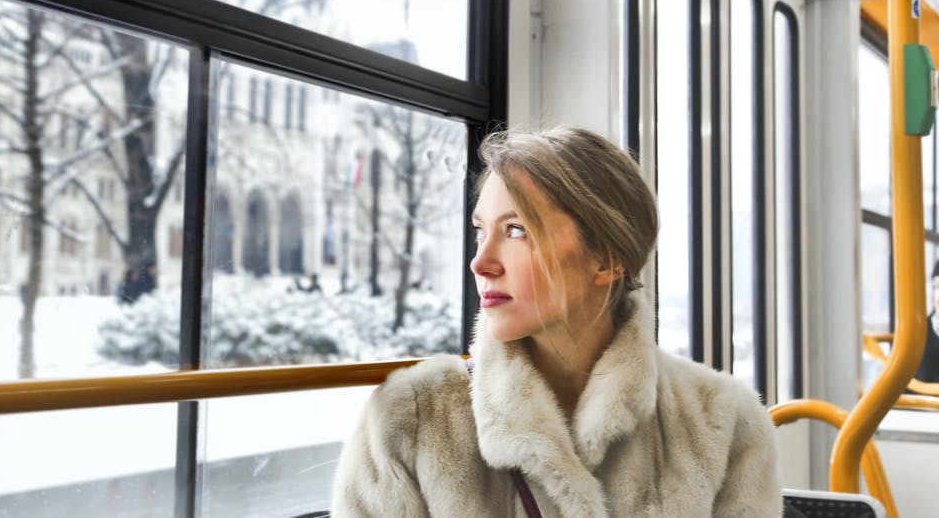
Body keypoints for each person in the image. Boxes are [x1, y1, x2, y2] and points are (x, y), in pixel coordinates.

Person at [331, 127, 780, 517]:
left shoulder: (723, 420)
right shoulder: (409, 418)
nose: (480, 262)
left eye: (516, 231)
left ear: (606, 259)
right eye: (479, 231)